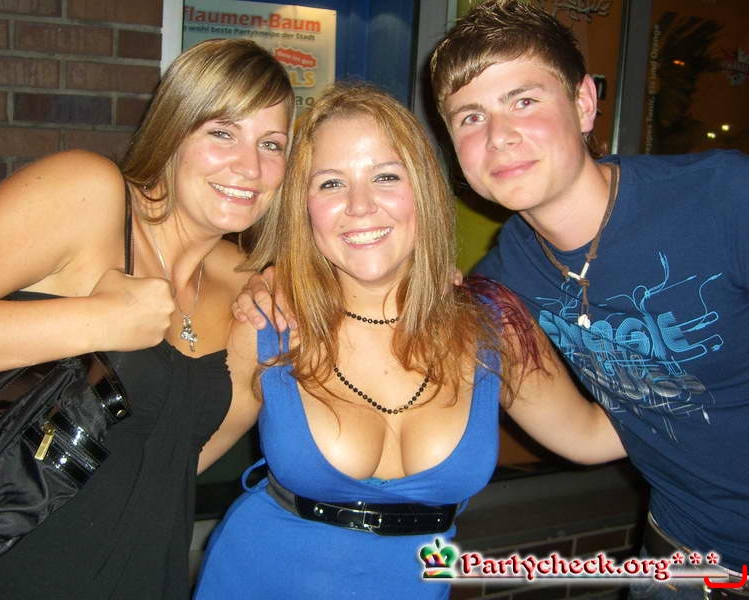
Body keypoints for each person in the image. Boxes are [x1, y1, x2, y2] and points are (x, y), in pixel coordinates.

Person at [195, 83, 625, 600]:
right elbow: (174, 463)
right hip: (258, 578)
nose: (359, 206)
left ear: (423, 190)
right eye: (330, 183)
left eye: (385, 176)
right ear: (303, 207)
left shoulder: (494, 325)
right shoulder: (269, 323)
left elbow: (591, 436)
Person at [0, 39, 293, 598]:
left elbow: (177, 458)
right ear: (173, 130)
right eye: (222, 132)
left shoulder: (241, 282)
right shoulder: (91, 196)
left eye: (271, 144)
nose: (250, 167)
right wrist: (95, 321)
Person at [428, 1, 749, 597]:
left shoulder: (721, 199)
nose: (499, 136)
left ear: (582, 104)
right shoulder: (505, 283)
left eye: (524, 101)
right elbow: (589, 434)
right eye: (470, 117)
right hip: (682, 564)